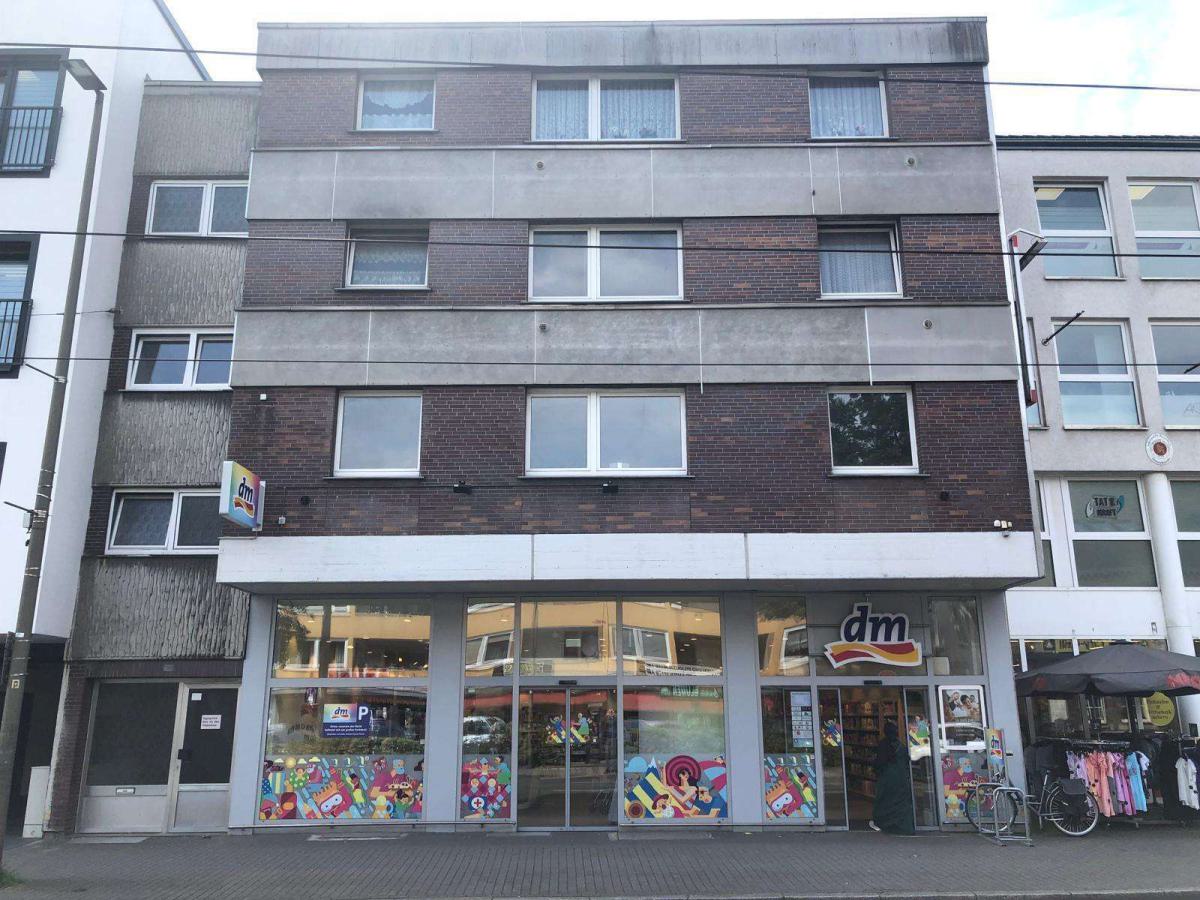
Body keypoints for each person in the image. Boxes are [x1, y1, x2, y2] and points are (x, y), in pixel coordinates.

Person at [869, 720, 915, 835]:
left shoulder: (883, 744)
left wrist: (876, 771)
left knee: (884, 801)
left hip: (887, 778)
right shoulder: (901, 745)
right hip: (901, 778)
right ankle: (903, 827)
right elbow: (907, 759)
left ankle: (882, 823)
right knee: (900, 803)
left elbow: (880, 762)